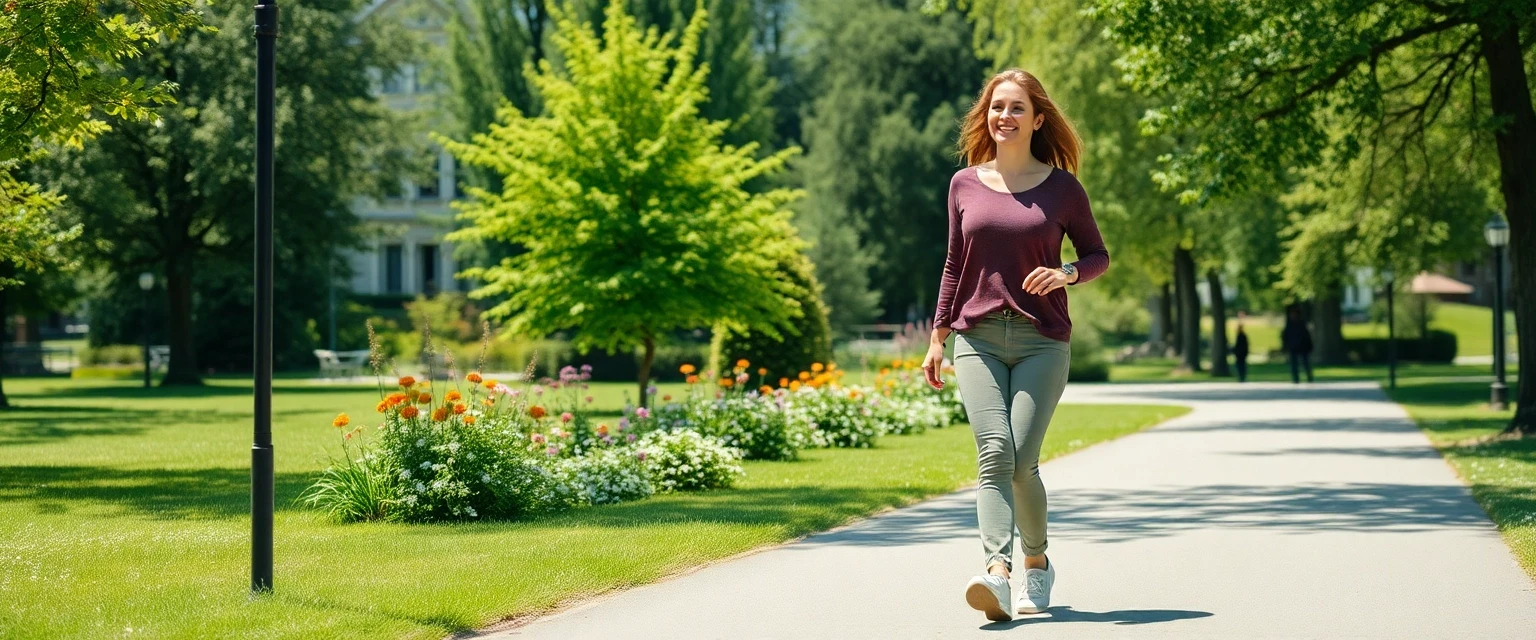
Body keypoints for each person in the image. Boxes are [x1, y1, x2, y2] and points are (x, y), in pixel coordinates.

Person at [921, 68, 1109, 623]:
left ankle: (1036, 562)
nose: (1004, 116)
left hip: (1042, 340)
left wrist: (1067, 273)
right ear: (987, 115)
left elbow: (1097, 254)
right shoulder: (964, 184)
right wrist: (937, 337)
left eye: (1017, 108)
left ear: (1037, 119)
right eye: (996, 107)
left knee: (1023, 462)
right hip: (975, 336)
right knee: (994, 454)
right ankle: (998, 577)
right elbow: (955, 264)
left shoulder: (1063, 188)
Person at [1281, 305, 1314, 383]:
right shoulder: (1289, 325)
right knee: (1294, 364)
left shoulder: (1301, 324)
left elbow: (1307, 337)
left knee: (1305, 363)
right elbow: (1285, 337)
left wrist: (1309, 346)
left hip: (1303, 347)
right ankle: (1296, 378)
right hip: (1293, 347)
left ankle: (1309, 377)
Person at [1233, 313, 1250, 382]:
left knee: (1240, 366)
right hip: (1241, 354)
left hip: (1240, 354)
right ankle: (1241, 377)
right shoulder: (1242, 336)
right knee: (1241, 366)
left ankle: (1241, 377)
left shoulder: (1241, 336)